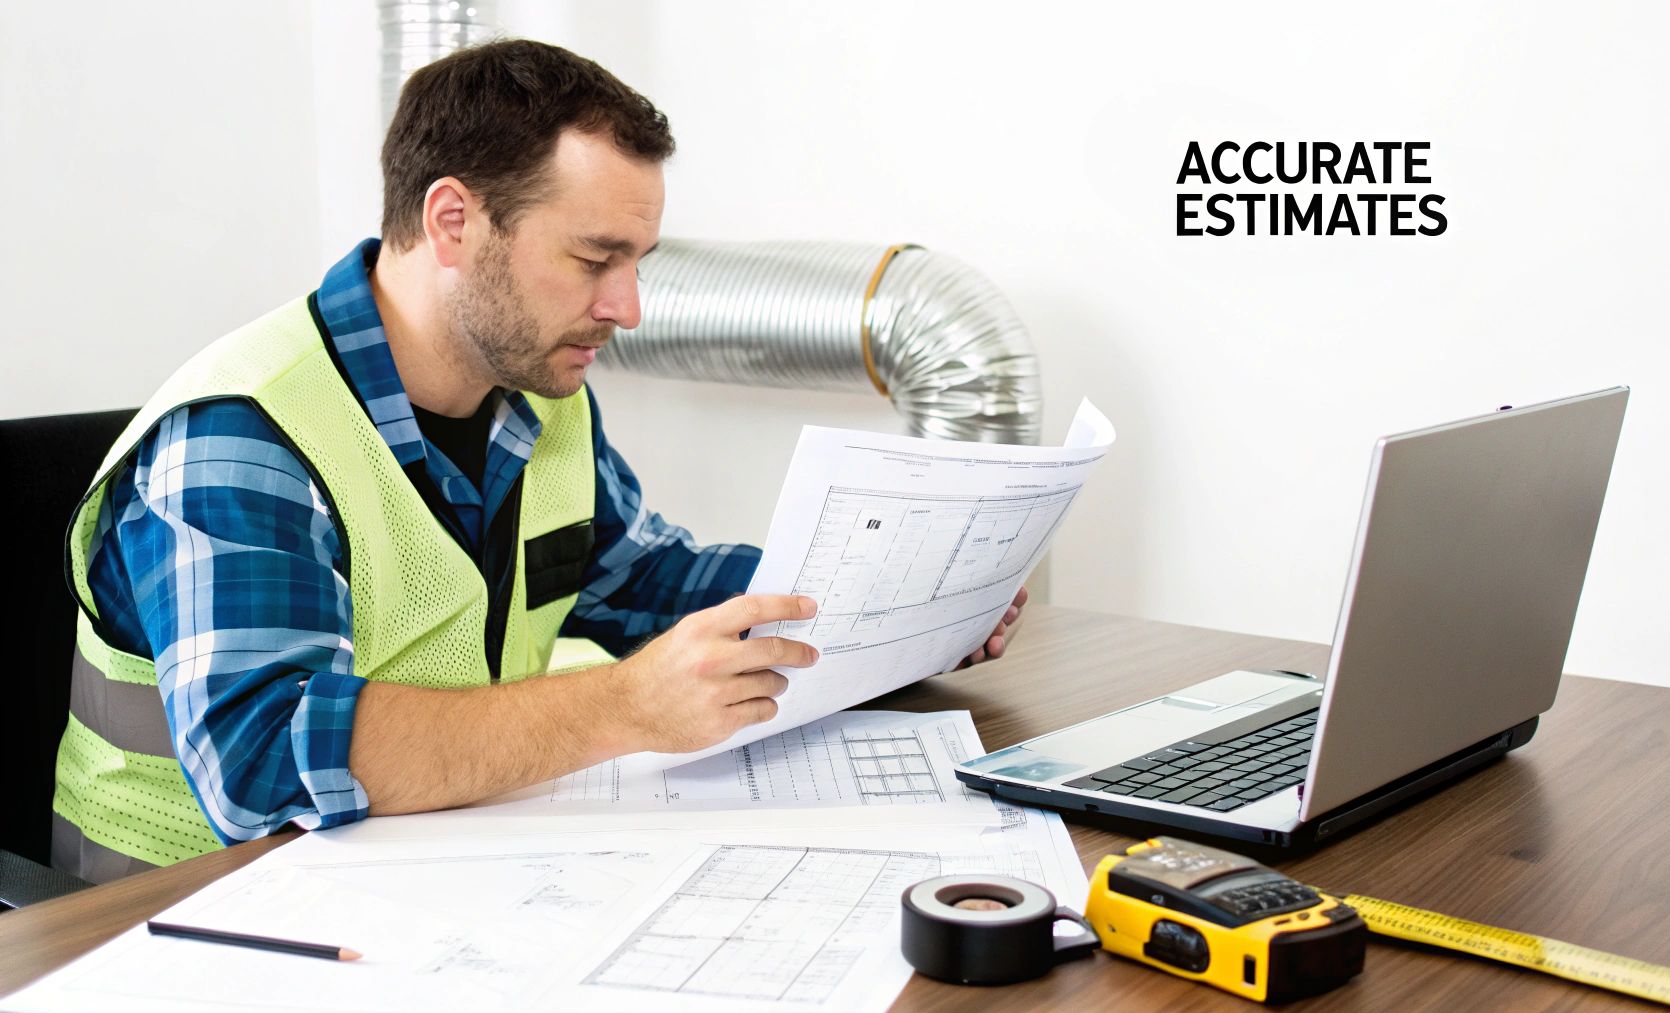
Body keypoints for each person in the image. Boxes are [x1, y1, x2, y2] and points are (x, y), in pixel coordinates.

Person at [52, 39, 1027, 884]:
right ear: (453, 222)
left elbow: (648, 582)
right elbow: (264, 763)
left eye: (637, 262)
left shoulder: (535, 403)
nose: (627, 307)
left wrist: (900, 599)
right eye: (594, 259)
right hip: (178, 917)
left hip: (423, 868)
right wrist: (619, 708)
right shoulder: (241, 436)